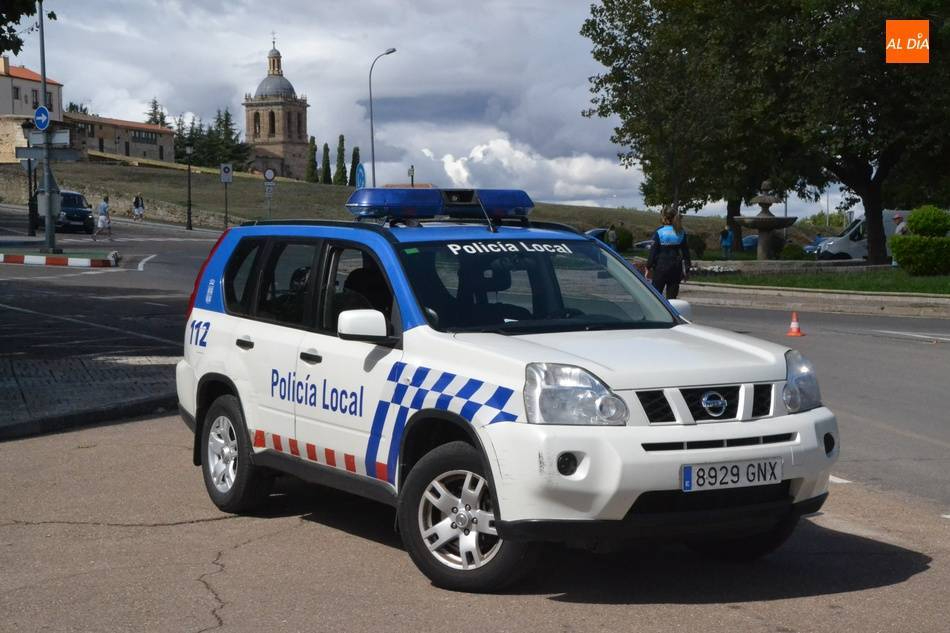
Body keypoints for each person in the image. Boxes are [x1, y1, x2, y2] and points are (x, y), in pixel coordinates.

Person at [647, 206, 691, 299]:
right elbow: (686, 254)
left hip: (660, 268)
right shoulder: (681, 232)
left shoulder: (659, 232)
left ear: (664, 217)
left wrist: (648, 267)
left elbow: (653, 252)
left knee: (656, 297)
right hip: (675, 268)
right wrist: (687, 270)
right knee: (672, 299)